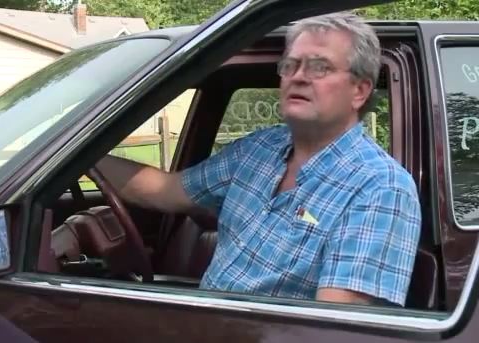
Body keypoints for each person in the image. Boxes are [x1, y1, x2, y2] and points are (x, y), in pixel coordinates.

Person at [96, 12, 421, 306]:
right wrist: (83, 156)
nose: (299, 76)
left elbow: (334, 328)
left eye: (319, 67)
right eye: (290, 65)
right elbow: (164, 190)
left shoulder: (380, 188)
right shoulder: (258, 149)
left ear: (359, 91)